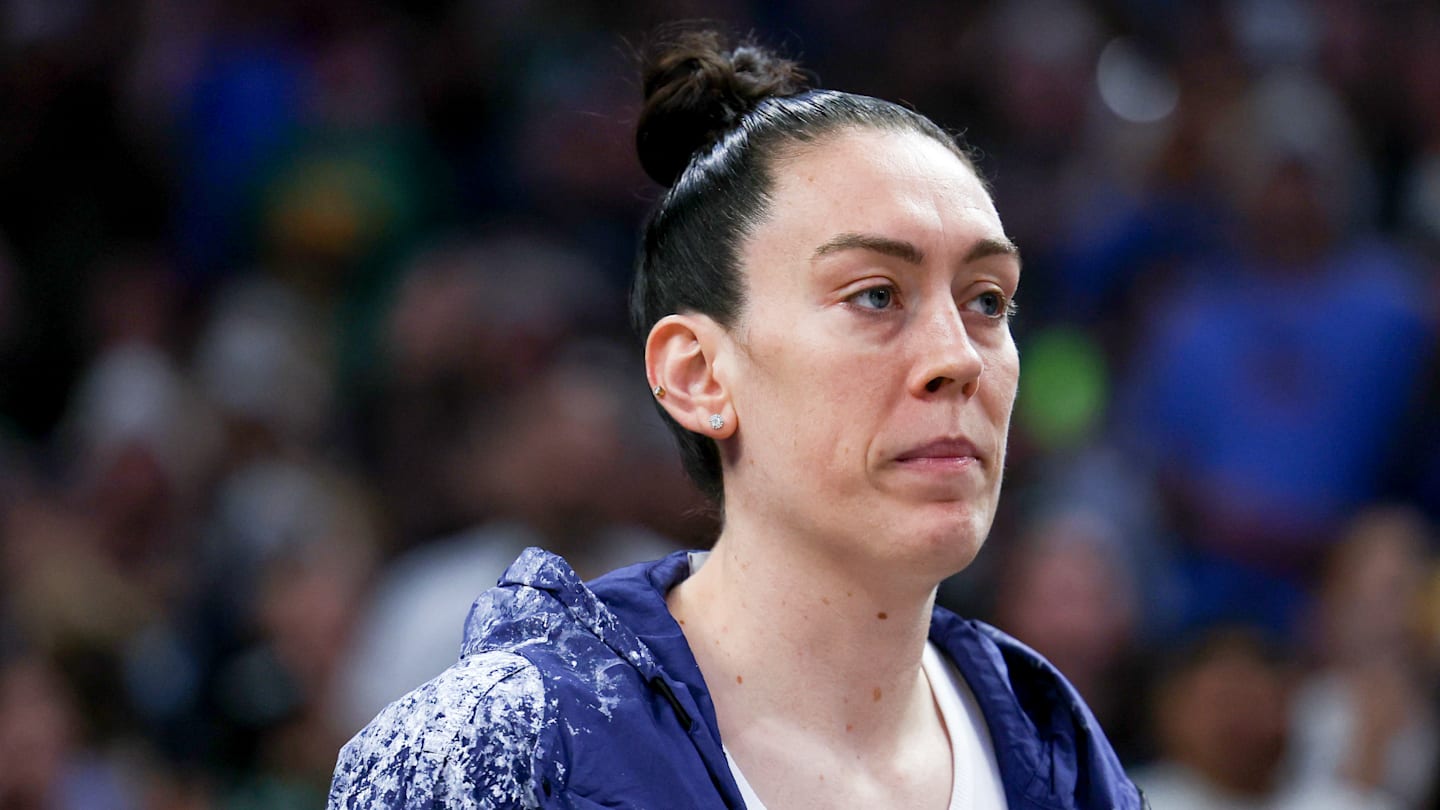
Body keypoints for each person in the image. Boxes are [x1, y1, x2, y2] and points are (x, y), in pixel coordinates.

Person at [328, 29, 1142, 809]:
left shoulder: (1059, 750)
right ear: (698, 376)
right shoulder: (498, 750)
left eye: (987, 301)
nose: (959, 357)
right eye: (876, 295)